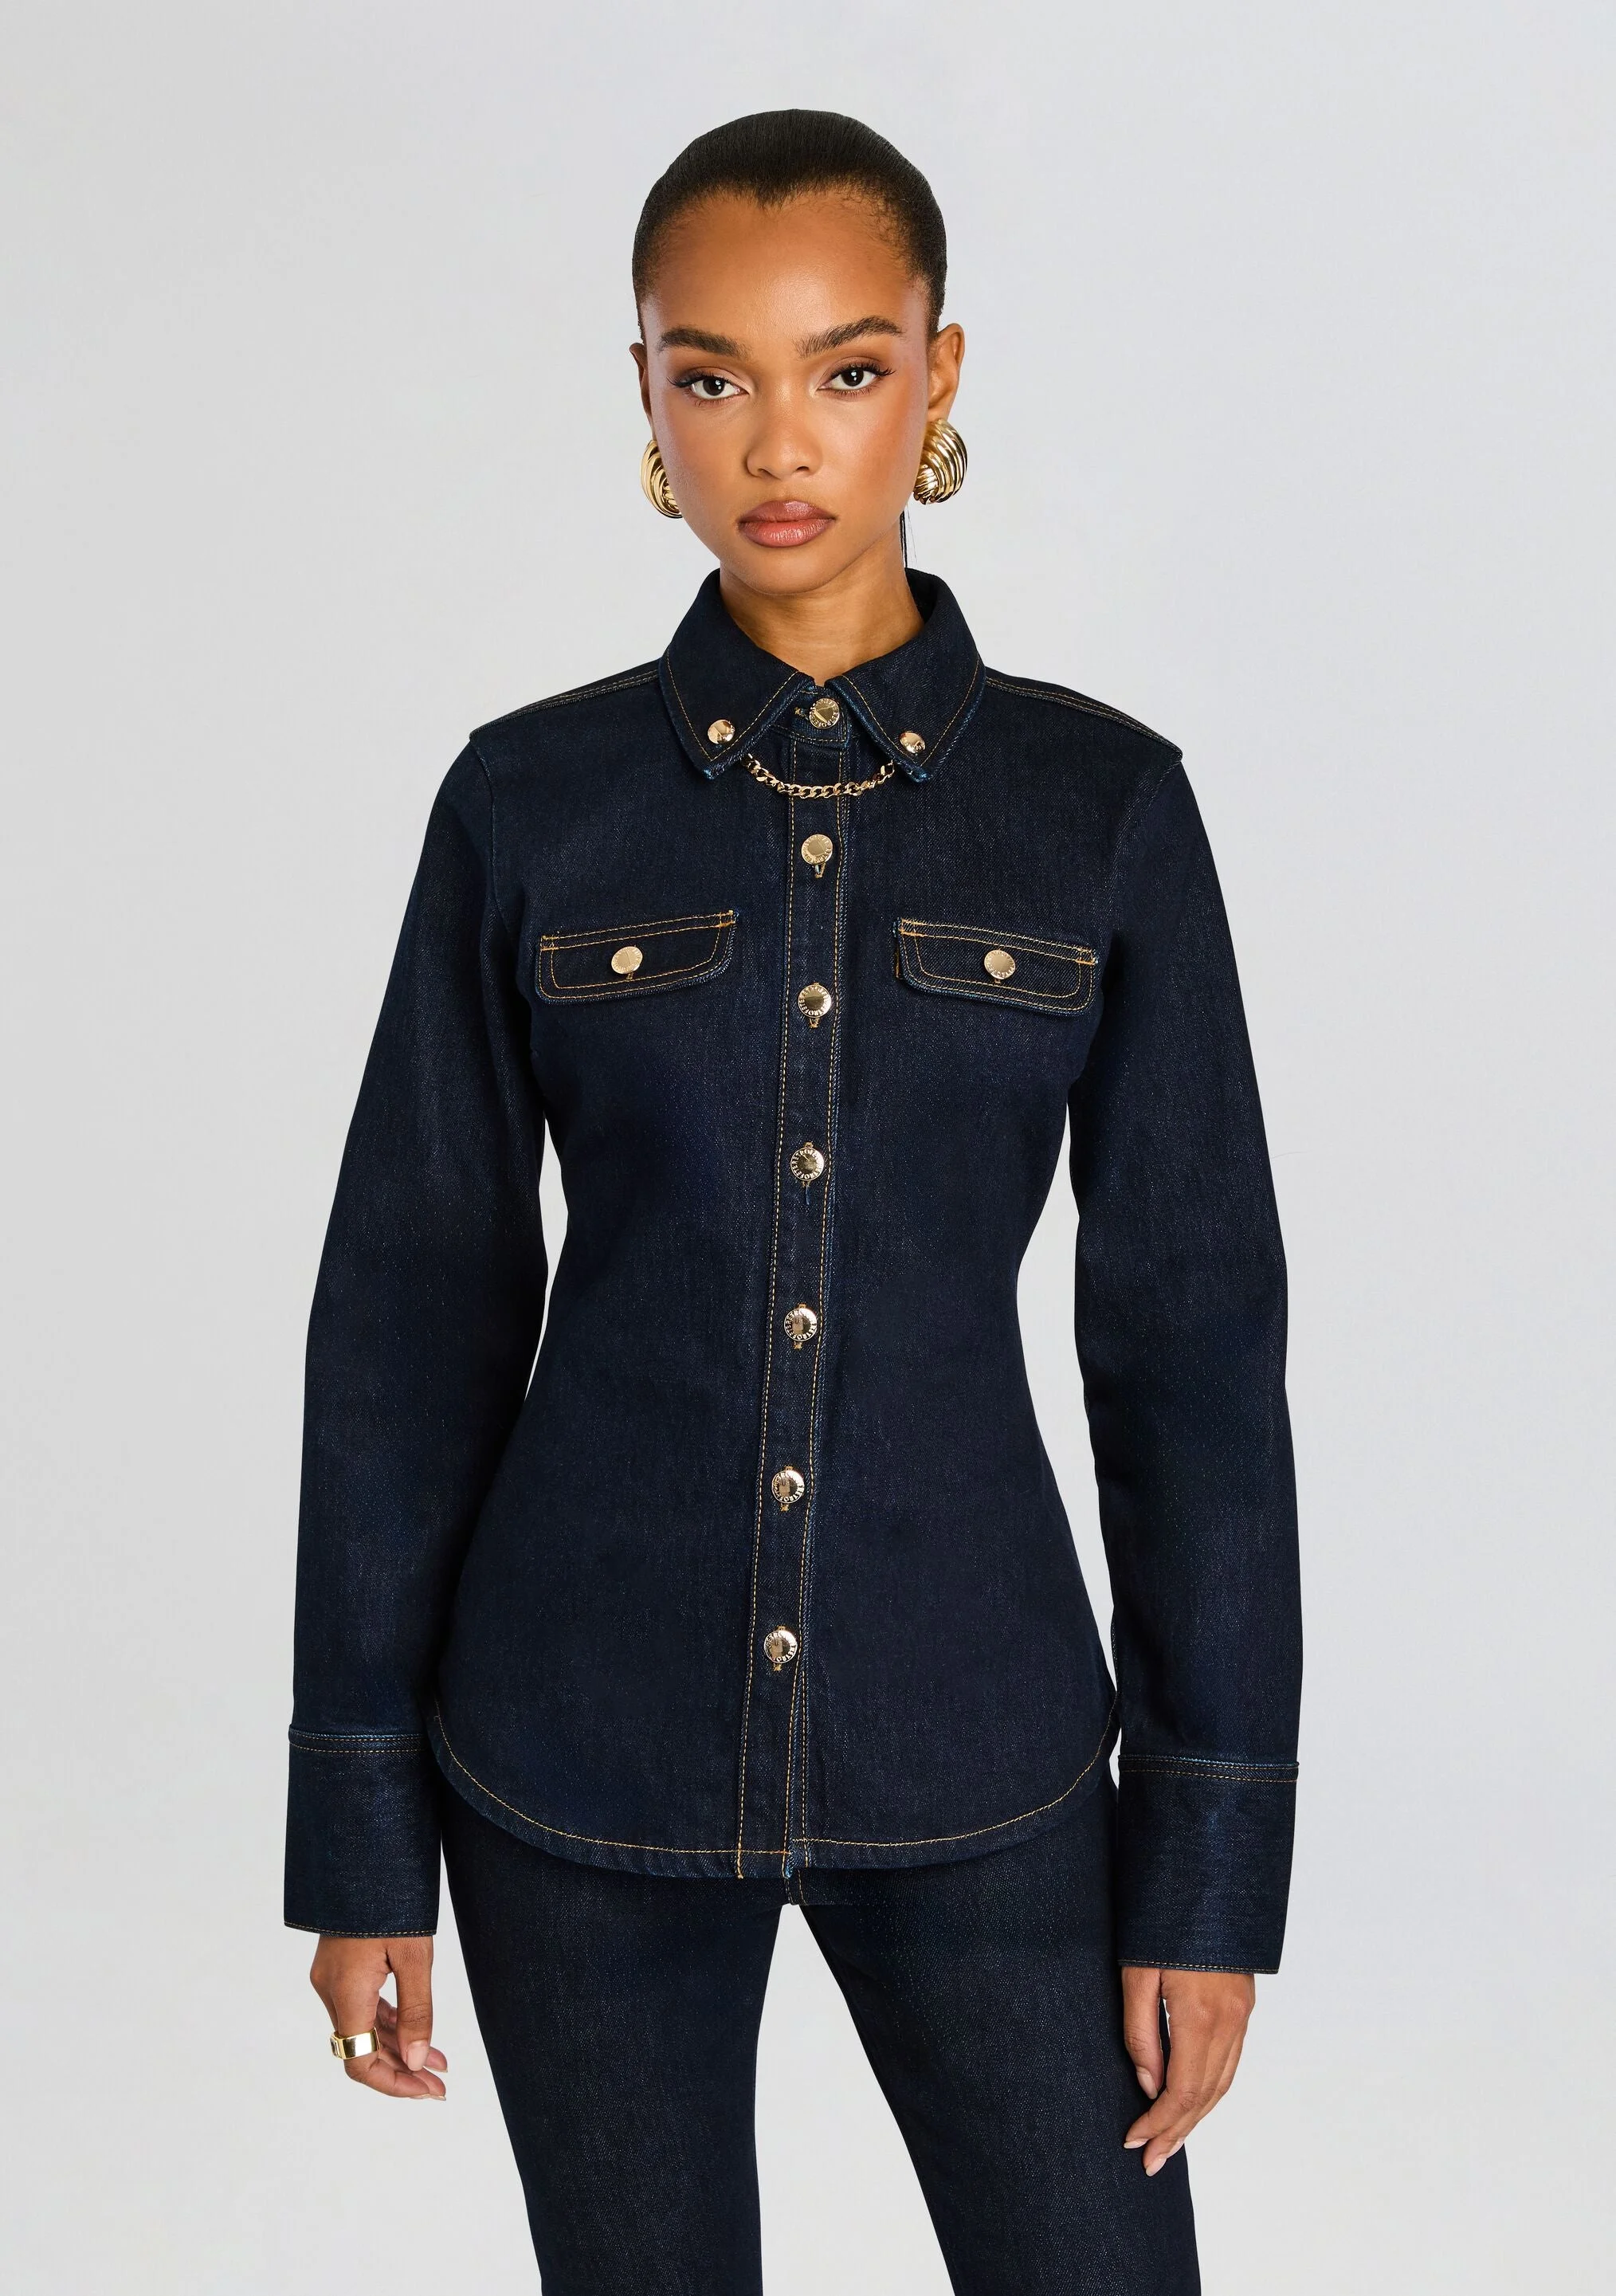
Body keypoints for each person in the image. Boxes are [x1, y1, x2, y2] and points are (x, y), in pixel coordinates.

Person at [285, 108, 1301, 2295]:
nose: (777, 440)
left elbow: (1192, 1356)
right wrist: (357, 1824)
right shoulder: (529, 801)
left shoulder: (1102, 809)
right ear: (643, 393)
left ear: (938, 376)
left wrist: (1212, 1865)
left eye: (846, 368)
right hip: (571, 1748)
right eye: (710, 373)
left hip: (987, 1735)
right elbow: (411, 1310)